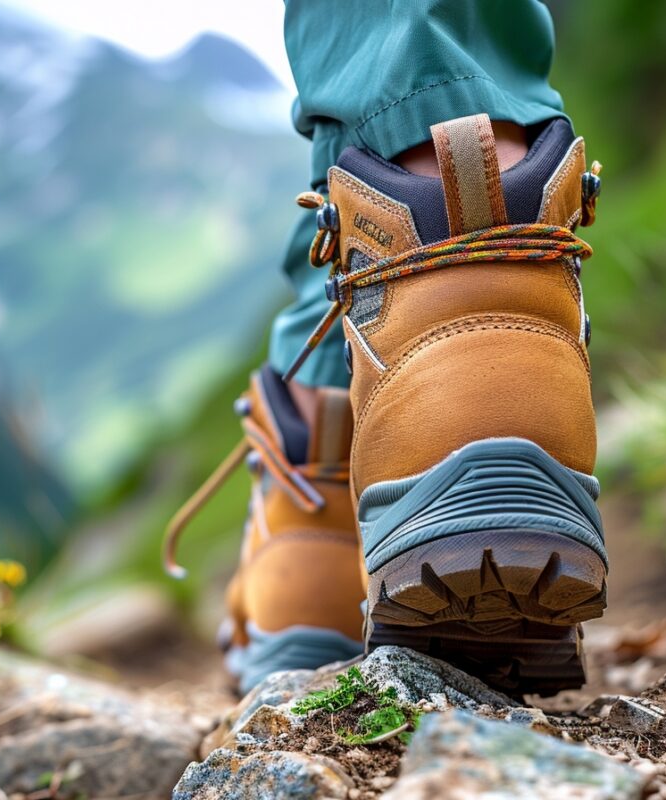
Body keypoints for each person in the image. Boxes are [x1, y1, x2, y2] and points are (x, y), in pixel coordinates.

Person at [166, 0, 607, 697]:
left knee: (379, 113)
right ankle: (498, 324)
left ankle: (312, 511)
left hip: (400, 400)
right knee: (348, 192)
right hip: (531, 366)